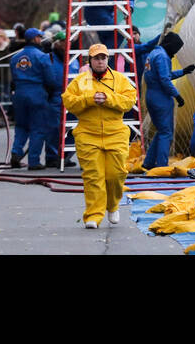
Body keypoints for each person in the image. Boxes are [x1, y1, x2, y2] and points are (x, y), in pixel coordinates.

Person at [62, 44, 138, 228]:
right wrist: (88, 100)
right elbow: (68, 101)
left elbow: (129, 100)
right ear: (90, 60)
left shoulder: (120, 79)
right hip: (88, 133)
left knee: (116, 174)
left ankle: (112, 205)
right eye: (96, 58)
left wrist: (109, 98)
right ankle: (93, 216)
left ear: (107, 60)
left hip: (116, 132)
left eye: (103, 58)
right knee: (93, 176)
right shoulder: (80, 81)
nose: (100, 61)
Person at [143, 31, 195, 169]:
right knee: (166, 132)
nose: (175, 52)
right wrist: (177, 96)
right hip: (161, 98)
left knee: (161, 130)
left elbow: (164, 75)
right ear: (170, 45)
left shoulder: (153, 54)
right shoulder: (162, 56)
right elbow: (165, 80)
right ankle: (162, 166)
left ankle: (148, 163)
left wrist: (183, 71)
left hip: (151, 96)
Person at [9, 28, 59, 170]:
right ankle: (34, 160)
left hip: (19, 93)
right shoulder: (42, 56)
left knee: (21, 126)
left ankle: (16, 152)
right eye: (39, 37)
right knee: (38, 128)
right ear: (36, 39)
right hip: (36, 93)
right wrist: (51, 91)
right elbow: (50, 79)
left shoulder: (15, 58)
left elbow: (12, 78)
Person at [43, 38, 68, 167]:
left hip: (70, 96)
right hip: (54, 97)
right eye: (62, 41)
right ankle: (52, 156)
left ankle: (65, 156)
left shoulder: (71, 57)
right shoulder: (49, 58)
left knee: (72, 128)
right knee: (54, 128)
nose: (65, 44)